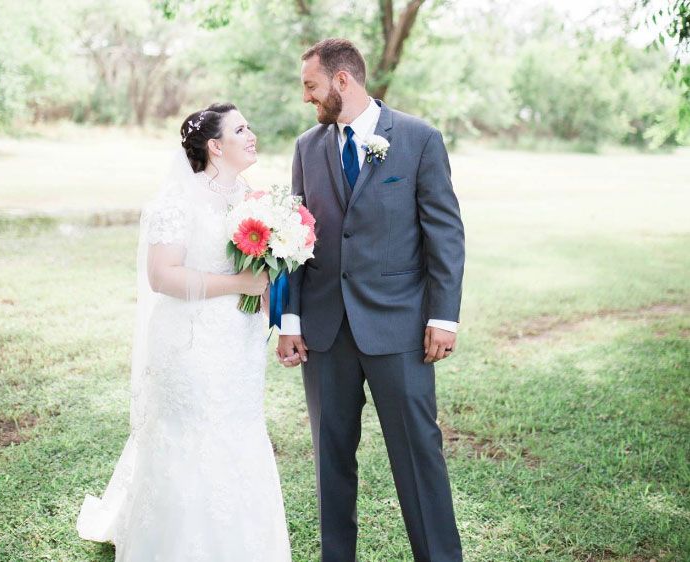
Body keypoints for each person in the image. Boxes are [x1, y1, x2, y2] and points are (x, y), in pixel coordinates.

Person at [277, 38, 465, 562]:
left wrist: (443, 316)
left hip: (400, 327)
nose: (307, 99)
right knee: (330, 460)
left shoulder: (418, 139)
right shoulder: (306, 148)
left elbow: (444, 234)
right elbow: (295, 239)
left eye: (311, 87)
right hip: (325, 331)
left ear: (342, 80)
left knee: (418, 455)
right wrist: (290, 318)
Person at [77, 103, 291, 562]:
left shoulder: (250, 198)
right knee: (193, 434)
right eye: (240, 129)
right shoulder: (178, 201)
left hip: (239, 346)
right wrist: (238, 284)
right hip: (191, 345)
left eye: (249, 126)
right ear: (216, 146)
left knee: (240, 431)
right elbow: (162, 276)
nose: (251, 134)